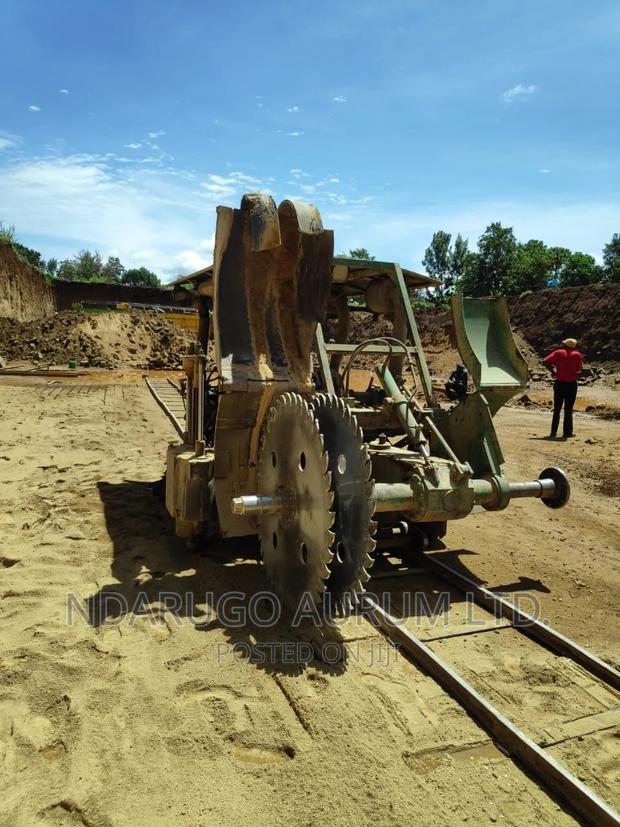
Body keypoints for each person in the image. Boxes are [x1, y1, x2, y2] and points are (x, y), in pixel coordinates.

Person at [543, 338, 583, 438]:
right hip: (572, 385)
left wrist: (554, 373)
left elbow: (545, 362)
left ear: (565, 345)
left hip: (559, 383)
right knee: (568, 410)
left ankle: (553, 432)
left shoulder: (558, 353)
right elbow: (579, 370)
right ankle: (567, 433)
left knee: (557, 409)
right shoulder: (577, 355)